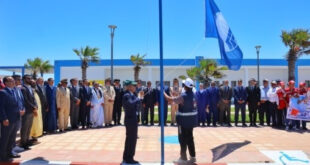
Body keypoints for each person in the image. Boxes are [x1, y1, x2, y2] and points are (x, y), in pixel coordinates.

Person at [164, 78, 197, 164]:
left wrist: (163, 93)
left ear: (185, 86)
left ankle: (183, 158)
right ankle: (193, 157)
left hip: (183, 122)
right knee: (190, 138)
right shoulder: (193, 94)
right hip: (191, 121)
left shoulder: (184, 96)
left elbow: (170, 99)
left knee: (182, 139)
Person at [0, 77, 24, 162]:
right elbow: (1, 107)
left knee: (12, 138)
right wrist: (4, 118)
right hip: (8, 120)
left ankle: (10, 152)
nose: (13, 82)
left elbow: (17, 103)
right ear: (6, 83)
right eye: (11, 81)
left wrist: (20, 111)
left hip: (16, 118)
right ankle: (3, 156)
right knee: (5, 138)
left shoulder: (14, 91)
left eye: (13, 81)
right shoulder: (3, 92)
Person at [122, 80, 143, 164]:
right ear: (129, 87)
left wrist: (139, 99)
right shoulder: (126, 95)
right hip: (130, 120)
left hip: (133, 119)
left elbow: (137, 106)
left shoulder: (132, 95)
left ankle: (127, 156)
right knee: (131, 139)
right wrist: (139, 98)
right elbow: (130, 104)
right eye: (134, 86)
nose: (135, 87)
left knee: (131, 139)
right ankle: (129, 157)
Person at [20, 75, 38, 149]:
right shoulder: (23, 88)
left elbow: (33, 98)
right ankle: (23, 142)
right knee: (25, 127)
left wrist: (36, 106)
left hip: (32, 110)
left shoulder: (30, 87)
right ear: (24, 79)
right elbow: (25, 100)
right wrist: (33, 107)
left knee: (29, 126)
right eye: (28, 78)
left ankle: (27, 140)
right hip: (27, 111)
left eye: (30, 78)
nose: (30, 79)